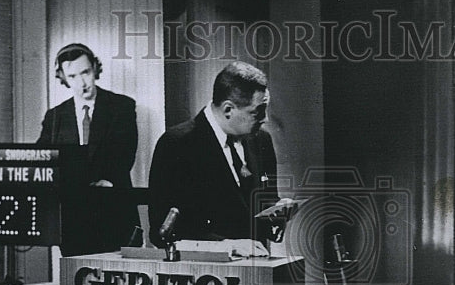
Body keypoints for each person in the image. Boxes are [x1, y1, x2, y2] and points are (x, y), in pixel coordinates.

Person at [147, 62, 283, 244]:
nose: (265, 119)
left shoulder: (261, 140)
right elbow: (162, 229)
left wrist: (277, 215)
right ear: (228, 110)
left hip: (258, 265)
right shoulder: (176, 144)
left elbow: (267, 199)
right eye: (257, 112)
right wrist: (226, 247)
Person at [37, 43, 139, 255]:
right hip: (74, 219)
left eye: (86, 72)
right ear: (63, 78)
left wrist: (106, 181)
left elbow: (125, 154)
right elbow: (43, 159)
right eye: (73, 76)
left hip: (113, 213)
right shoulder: (54, 116)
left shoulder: (122, 107)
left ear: (95, 69)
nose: (82, 83)